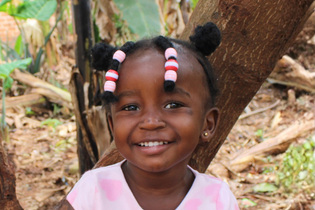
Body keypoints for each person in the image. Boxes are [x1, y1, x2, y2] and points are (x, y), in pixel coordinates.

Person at [66, 22, 239, 210]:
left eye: (173, 105)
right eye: (131, 107)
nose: (151, 122)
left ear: (208, 123)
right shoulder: (93, 191)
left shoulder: (217, 200)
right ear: (112, 126)